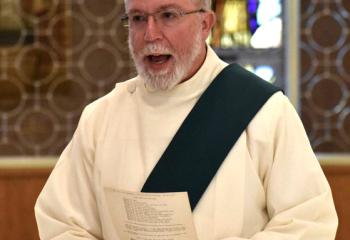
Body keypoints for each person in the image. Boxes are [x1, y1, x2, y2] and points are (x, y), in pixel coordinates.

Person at [35, 0, 338, 239]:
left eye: (168, 15)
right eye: (138, 18)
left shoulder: (265, 111)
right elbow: (63, 223)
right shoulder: (100, 119)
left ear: (205, 23)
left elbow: (309, 223)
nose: (150, 34)